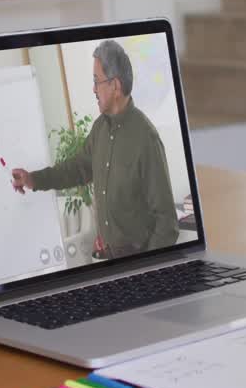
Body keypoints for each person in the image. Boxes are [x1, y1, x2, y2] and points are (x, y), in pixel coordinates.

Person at [11, 40, 179, 259]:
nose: (93, 89)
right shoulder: (100, 129)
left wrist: (147, 270)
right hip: (109, 258)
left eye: (96, 81)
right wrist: (33, 179)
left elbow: (167, 223)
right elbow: (76, 169)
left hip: (137, 262)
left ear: (115, 86)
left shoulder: (146, 139)